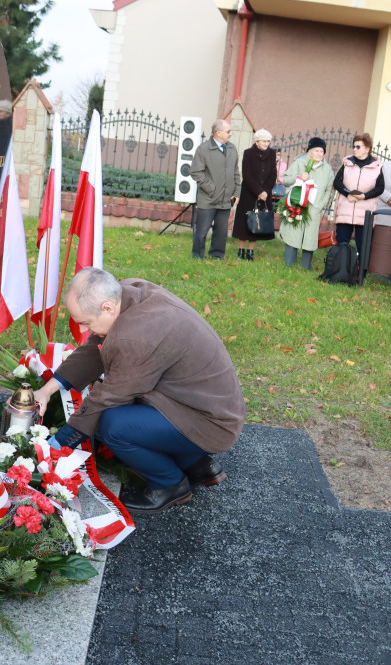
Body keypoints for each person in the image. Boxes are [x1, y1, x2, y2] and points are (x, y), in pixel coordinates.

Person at [32, 268, 245, 514]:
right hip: (206, 405)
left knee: (113, 424)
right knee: (130, 412)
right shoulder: (130, 293)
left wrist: (55, 446)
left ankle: (169, 485)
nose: (83, 330)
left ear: (107, 307)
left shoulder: (133, 338)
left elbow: (107, 398)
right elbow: (96, 350)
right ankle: (199, 465)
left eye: (86, 323)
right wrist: (48, 389)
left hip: (211, 423)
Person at [279, 137, 334, 270]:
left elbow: (329, 190)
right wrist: (298, 178)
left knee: (310, 237)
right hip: (296, 206)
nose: (320, 154)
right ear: (309, 151)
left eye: (322, 151)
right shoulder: (299, 163)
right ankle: (289, 264)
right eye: (317, 151)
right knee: (293, 232)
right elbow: (285, 179)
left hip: (314, 209)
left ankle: (305, 266)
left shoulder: (327, 169)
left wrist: (320, 204)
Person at [190, 119, 240, 260]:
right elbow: (196, 172)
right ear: (218, 133)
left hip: (226, 198)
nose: (230, 134)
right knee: (202, 230)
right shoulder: (203, 149)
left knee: (221, 231)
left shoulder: (232, 148)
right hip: (208, 198)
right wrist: (211, 188)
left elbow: (235, 172)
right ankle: (197, 256)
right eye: (228, 131)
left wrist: (237, 192)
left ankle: (217, 255)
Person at [332, 132, 384, 250]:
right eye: (354, 146)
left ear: (367, 148)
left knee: (363, 246)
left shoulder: (376, 167)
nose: (354, 149)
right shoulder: (347, 163)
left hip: (365, 212)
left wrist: (364, 196)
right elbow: (337, 182)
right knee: (342, 244)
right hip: (346, 209)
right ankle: (341, 268)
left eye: (358, 147)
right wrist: (347, 193)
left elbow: (380, 187)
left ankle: (360, 268)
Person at [233, 129, 278, 261]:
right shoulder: (248, 153)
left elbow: (273, 175)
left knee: (258, 222)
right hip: (249, 193)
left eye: (268, 141)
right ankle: (241, 250)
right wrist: (259, 191)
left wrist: (265, 192)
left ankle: (251, 252)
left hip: (265, 194)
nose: (266, 144)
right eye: (264, 141)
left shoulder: (272, 154)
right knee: (244, 223)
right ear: (257, 141)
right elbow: (247, 175)